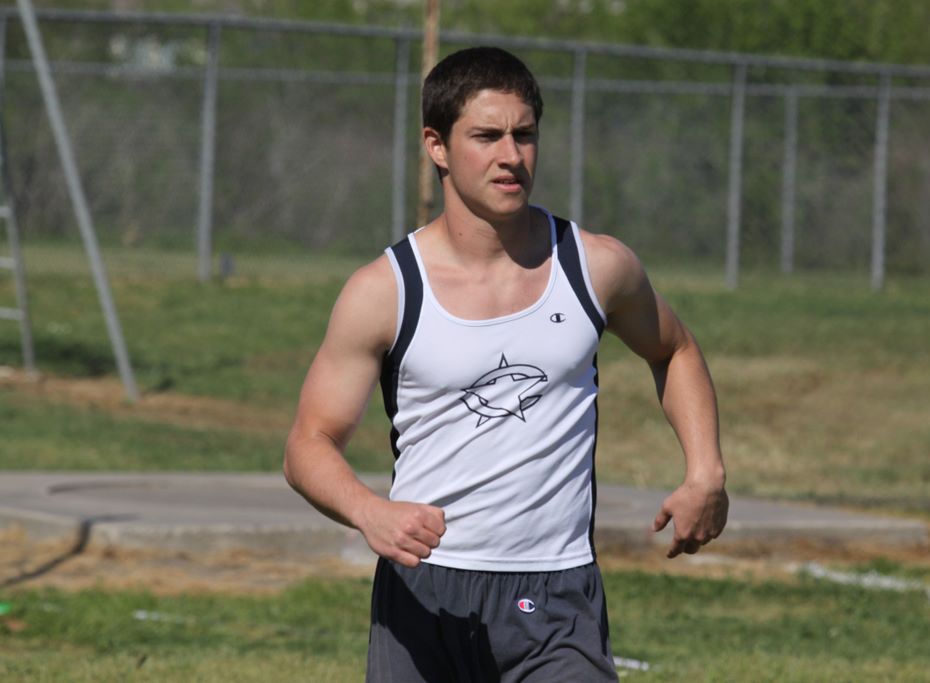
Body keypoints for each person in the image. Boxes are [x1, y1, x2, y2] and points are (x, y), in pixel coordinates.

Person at [283, 46, 728, 682]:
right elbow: (308, 442)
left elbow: (674, 348)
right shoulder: (385, 290)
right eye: (487, 136)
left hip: (556, 593)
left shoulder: (595, 267)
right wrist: (368, 510)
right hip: (423, 591)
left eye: (525, 135)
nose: (511, 156)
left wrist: (705, 472)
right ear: (437, 146)